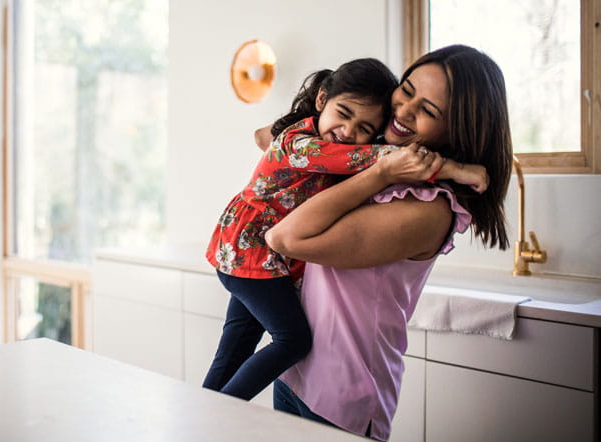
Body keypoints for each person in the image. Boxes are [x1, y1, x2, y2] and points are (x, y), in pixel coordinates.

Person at [264, 44, 512, 442]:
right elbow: (271, 140)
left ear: (457, 131)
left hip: (342, 394)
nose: (403, 110)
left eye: (428, 111)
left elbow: (286, 237)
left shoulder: (427, 209)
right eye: (407, 89)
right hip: (296, 371)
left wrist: (381, 173)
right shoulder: (376, 159)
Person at [203, 58, 485, 401]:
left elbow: (368, 156)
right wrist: (455, 169)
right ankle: (223, 410)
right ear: (322, 100)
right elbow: (372, 159)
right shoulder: (305, 145)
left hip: (252, 255)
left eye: (365, 128)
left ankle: (209, 406)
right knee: (291, 340)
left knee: (237, 342)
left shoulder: (319, 139)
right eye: (345, 113)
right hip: (251, 252)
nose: (350, 132)